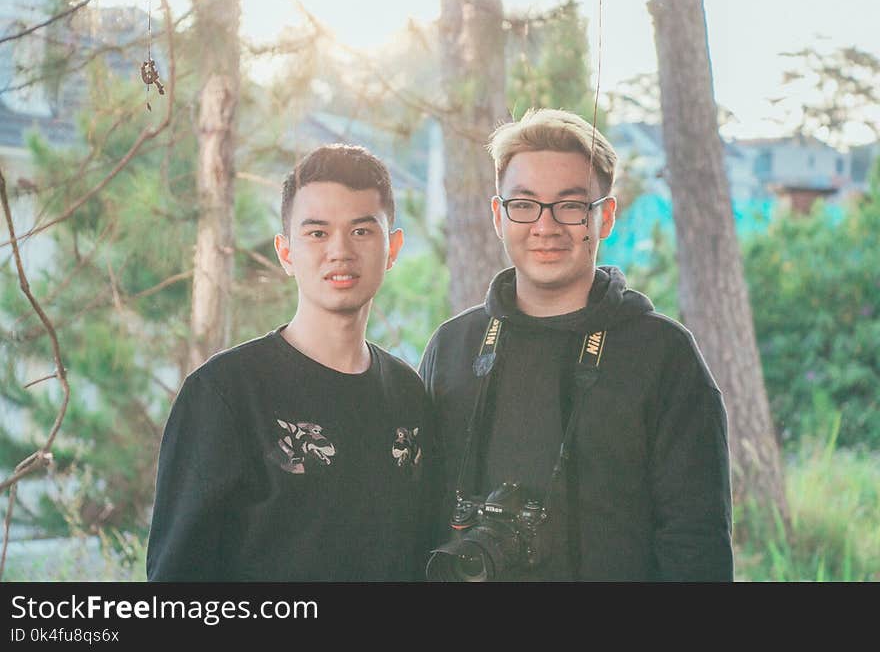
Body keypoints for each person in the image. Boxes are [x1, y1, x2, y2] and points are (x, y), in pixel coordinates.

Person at [419, 109, 733, 581]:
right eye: (523, 204)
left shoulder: (663, 355)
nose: (546, 227)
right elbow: (419, 515)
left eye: (570, 205)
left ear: (605, 216)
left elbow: (697, 544)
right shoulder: (455, 347)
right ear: (497, 216)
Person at [147, 144, 438, 581]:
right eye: (317, 233)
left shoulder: (407, 394)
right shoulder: (226, 393)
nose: (339, 252)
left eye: (361, 231)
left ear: (392, 248)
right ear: (286, 252)